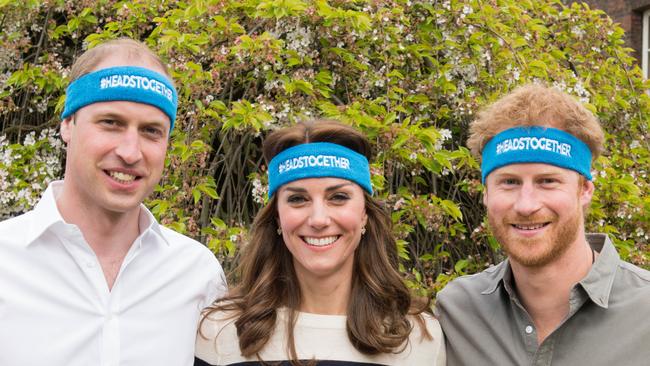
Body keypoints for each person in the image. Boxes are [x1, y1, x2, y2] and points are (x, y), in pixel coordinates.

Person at [0, 38, 226, 365]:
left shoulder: (197, 274)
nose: (130, 152)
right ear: (68, 124)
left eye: (151, 131)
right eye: (111, 123)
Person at [195, 120, 445, 365]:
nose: (318, 219)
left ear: (364, 214)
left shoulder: (417, 337)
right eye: (297, 199)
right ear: (277, 218)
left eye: (338, 197)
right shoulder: (220, 331)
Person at [435, 83, 650, 365]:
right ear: (486, 193)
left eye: (547, 181)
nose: (526, 205)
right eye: (509, 182)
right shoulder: (457, 311)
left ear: (585, 190)